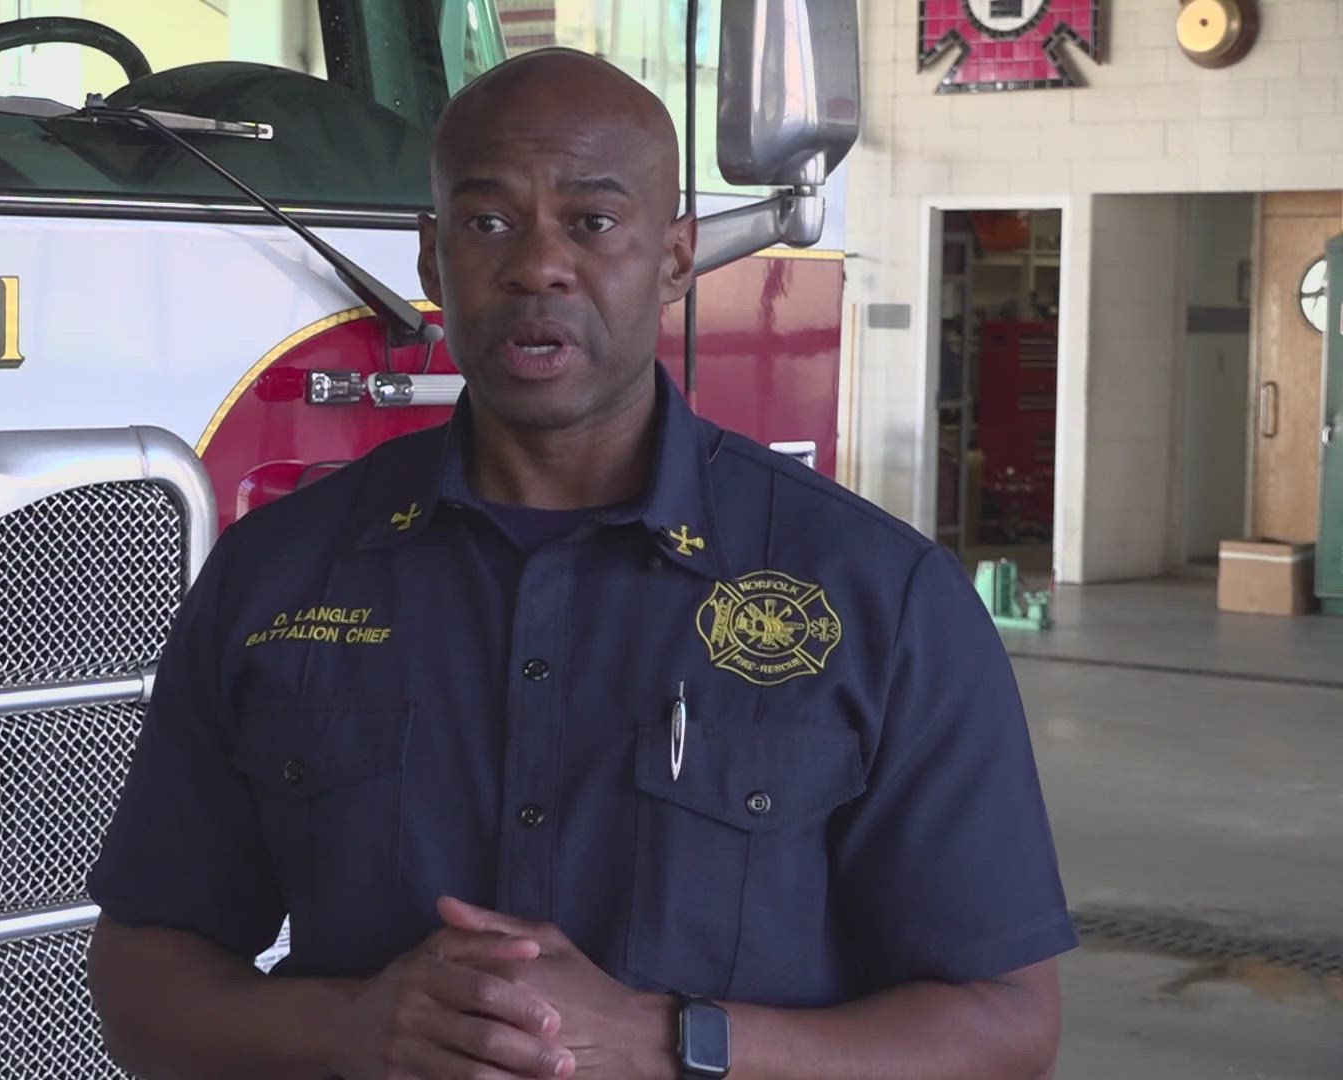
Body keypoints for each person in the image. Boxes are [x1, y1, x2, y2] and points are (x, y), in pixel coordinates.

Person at [84, 47, 1076, 1080]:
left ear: (678, 259)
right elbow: (145, 975)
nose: (537, 265)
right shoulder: (277, 575)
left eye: (593, 223)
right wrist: (352, 1028)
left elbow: (1005, 1029)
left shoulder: (882, 597)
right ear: (430, 260)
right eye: (487, 223)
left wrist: (665, 1042)